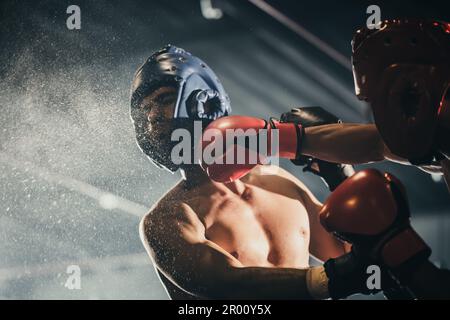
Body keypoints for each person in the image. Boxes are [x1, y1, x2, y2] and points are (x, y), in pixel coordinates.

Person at [133, 45, 381, 300]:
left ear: (201, 100)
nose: (152, 116)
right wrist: (331, 280)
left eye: (163, 99)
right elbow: (230, 285)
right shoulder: (167, 219)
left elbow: (347, 253)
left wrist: (338, 175)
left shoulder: (278, 181)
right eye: (144, 110)